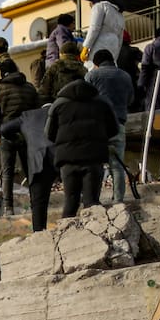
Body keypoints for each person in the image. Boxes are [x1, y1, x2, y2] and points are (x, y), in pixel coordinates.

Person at [45, 78, 119, 218]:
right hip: (93, 158)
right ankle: (93, 231)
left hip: (67, 159)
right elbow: (114, 129)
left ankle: (66, 230)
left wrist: (65, 142)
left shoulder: (58, 104)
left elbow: (49, 133)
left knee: (70, 202)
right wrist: (99, 138)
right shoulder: (102, 102)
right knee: (92, 203)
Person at [0, 59, 40, 215]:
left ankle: (8, 208)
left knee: (7, 172)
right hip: (27, 133)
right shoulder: (29, 88)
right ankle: (36, 202)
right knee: (30, 170)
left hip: (7, 134)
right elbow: (38, 112)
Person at [86, 49, 134, 202]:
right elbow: (131, 99)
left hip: (97, 125)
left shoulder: (92, 75)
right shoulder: (125, 76)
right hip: (118, 123)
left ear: (96, 64)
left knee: (97, 164)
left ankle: (95, 199)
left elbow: (85, 99)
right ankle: (118, 200)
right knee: (117, 165)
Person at [1, 108, 58, 232]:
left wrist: (18, 139)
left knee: (38, 202)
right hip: (60, 156)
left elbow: (4, 129)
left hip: (38, 159)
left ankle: (39, 232)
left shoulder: (28, 115)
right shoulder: (62, 110)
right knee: (73, 194)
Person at [80, 0, 124, 67]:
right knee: (110, 68)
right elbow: (120, 37)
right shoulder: (120, 14)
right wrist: (115, 57)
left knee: (92, 67)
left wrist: (86, 47)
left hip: (100, 43)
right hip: (114, 44)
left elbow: (94, 28)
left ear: (93, 1)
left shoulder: (99, 6)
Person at [117, 31, 144, 112]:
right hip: (132, 80)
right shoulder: (134, 50)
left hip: (118, 82)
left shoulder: (114, 52)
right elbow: (146, 60)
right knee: (135, 105)